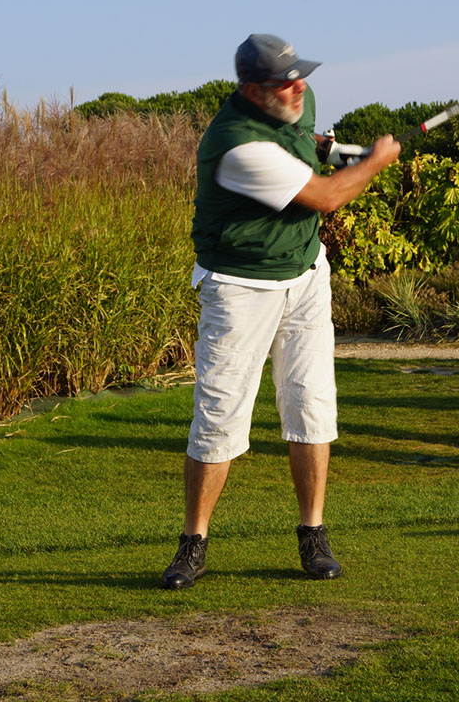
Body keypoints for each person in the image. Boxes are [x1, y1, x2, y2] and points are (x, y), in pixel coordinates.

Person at [160, 34, 401, 589]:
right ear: (252, 91)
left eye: (300, 77)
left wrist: (329, 149)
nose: (298, 89)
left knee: (312, 406)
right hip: (239, 287)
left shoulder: (298, 100)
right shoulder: (236, 146)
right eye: (284, 83)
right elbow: (327, 198)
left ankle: (313, 534)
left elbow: (302, 140)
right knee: (219, 418)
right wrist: (375, 162)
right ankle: (193, 543)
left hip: (306, 275)